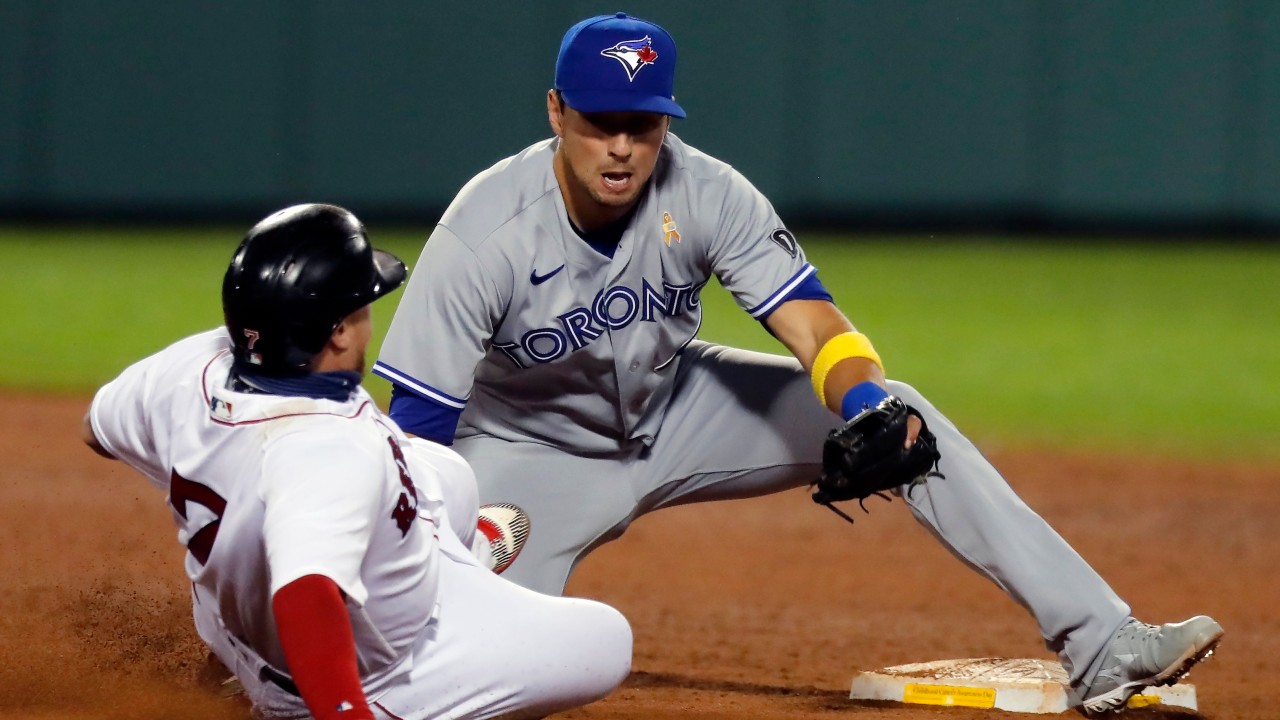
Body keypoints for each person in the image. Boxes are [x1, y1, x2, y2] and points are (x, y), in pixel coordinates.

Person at [373, 13, 1222, 715]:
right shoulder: (484, 233)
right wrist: (432, 539)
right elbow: (415, 435)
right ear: (557, 111)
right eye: (601, 122)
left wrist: (863, 401)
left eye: (644, 123)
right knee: (456, 663)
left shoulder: (706, 192)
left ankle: (1103, 644)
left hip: (678, 410)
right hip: (528, 451)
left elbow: (811, 320)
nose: (623, 147)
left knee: (901, 412)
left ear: (667, 120)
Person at [82, 203, 631, 720]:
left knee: (447, 474)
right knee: (606, 640)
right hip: (379, 670)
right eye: (363, 304)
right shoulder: (327, 453)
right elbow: (305, 597)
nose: (371, 316)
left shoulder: (185, 372)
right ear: (338, 331)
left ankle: (461, 552)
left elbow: (97, 429)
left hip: (231, 622)